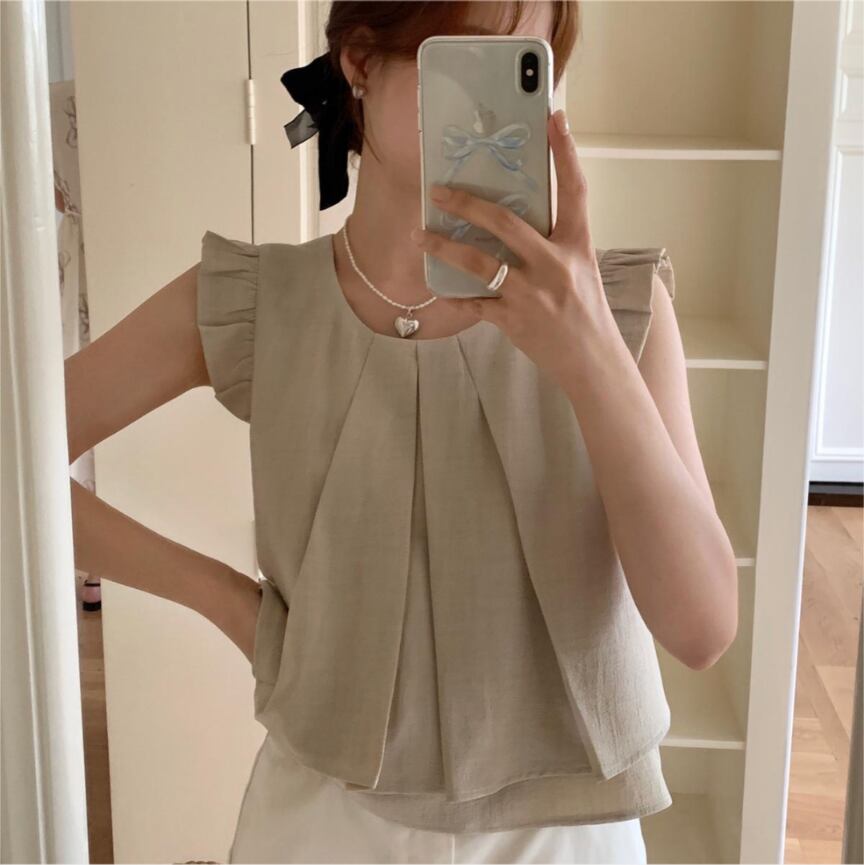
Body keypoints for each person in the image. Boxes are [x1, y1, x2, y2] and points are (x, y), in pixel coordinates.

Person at [65, 1, 739, 862]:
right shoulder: (259, 304)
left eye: (528, 69)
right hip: (321, 819)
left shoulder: (621, 308)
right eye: (469, 62)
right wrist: (231, 603)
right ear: (359, 60)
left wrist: (593, 356)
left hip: (568, 830)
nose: (499, 112)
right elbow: (20, 454)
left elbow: (702, 628)